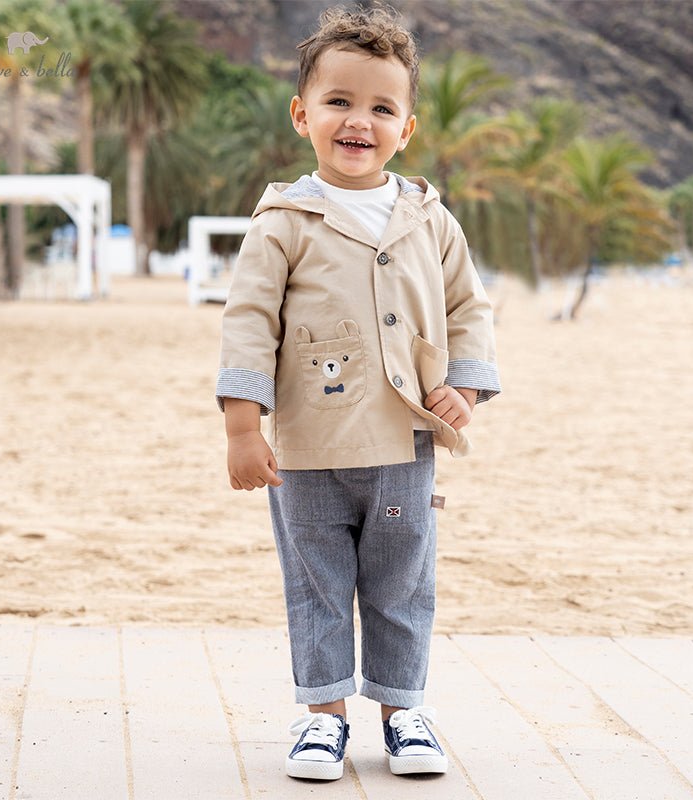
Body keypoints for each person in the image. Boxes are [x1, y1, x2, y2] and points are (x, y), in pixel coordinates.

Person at [215, 4, 500, 782]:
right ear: (302, 113)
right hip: (308, 450)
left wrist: (464, 388)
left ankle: (403, 711)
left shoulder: (429, 219)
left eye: (381, 108)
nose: (358, 122)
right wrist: (243, 429)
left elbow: (469, 308)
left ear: (406, 128)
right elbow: (248, 324)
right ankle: (323, 717)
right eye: (339, 101)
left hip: (404, 443)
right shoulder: (283, 222)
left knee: (401, 582)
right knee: (316, 584)